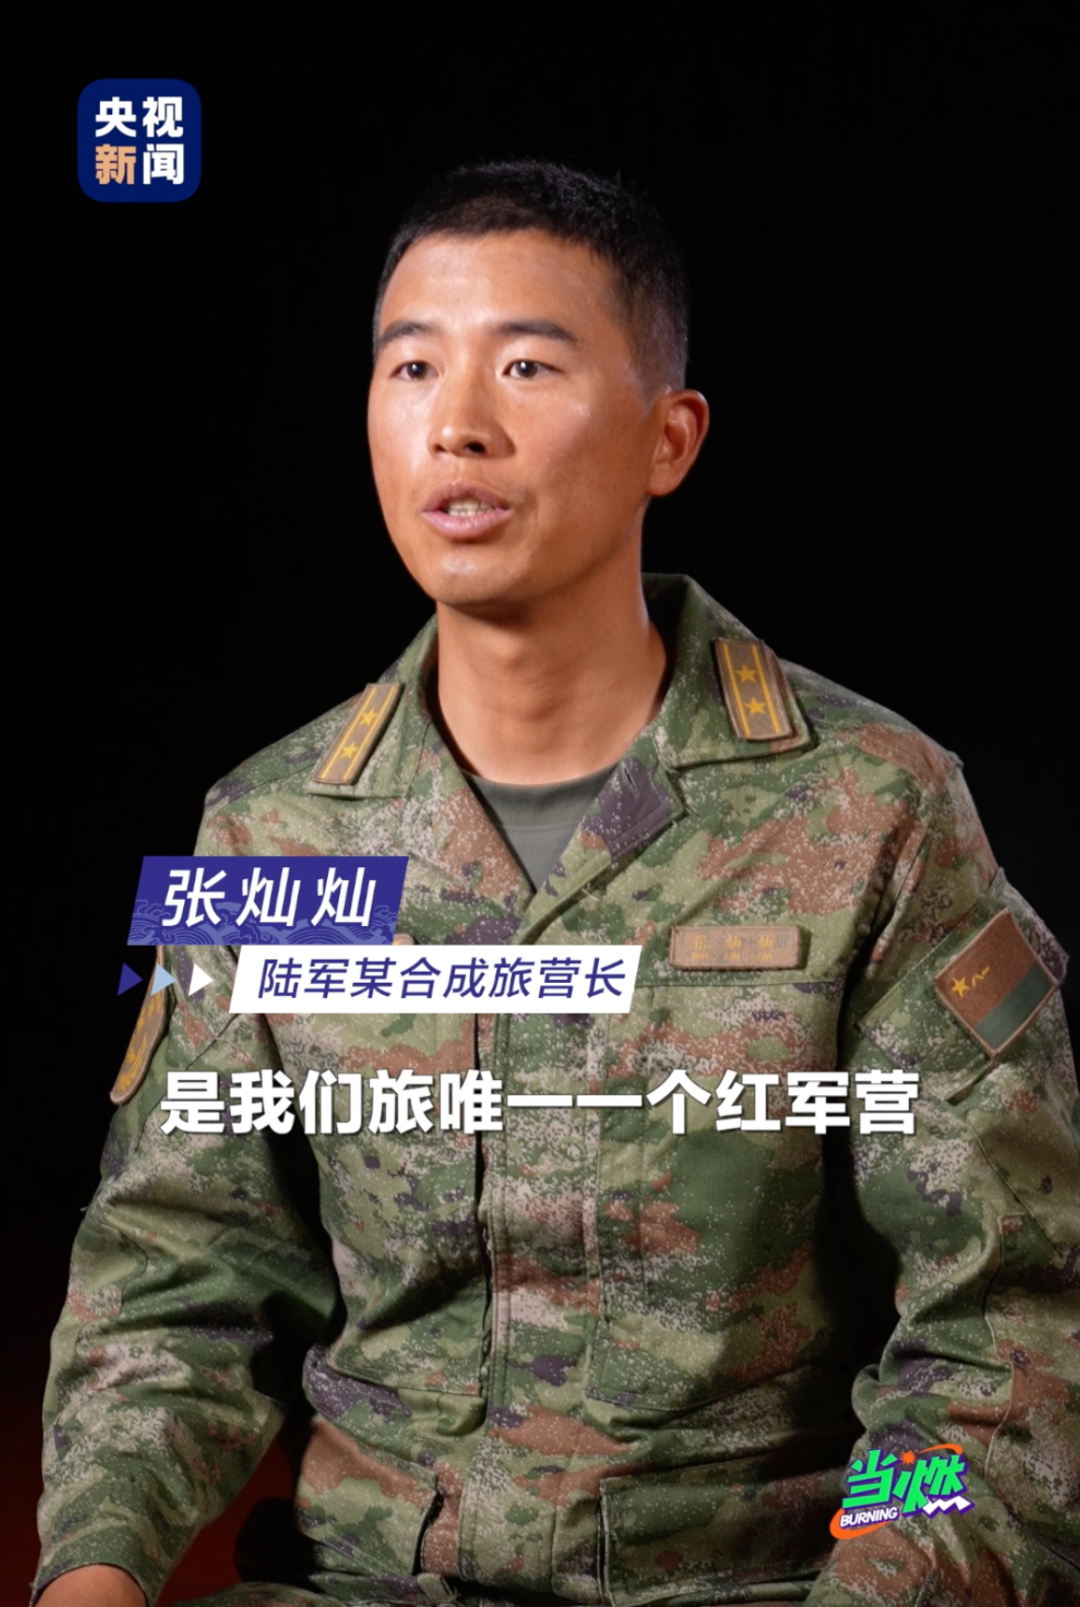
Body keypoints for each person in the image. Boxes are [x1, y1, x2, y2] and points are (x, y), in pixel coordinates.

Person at [36, 162, 1078, 1607]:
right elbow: (169, 1282)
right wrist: (90, 1574)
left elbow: (1009, 1341)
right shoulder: (269, 835)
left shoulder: (872, 812)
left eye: (527, 364)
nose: (457, 422)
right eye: (412, 366)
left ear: (669, 437)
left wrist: (880, 1585)